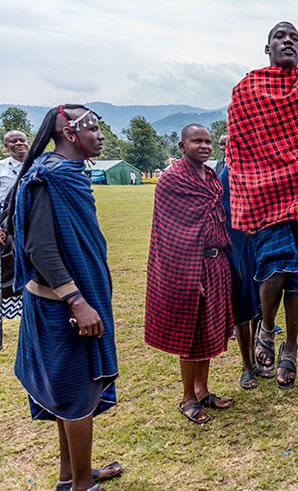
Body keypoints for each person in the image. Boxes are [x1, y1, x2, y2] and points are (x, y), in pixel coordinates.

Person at [13, 105, 122, 491]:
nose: (100, 134)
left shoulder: (67, 175)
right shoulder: (51, 177)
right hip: (61, 308)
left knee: (69, 396)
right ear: (68, 132)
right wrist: (77, 301)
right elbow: (40, 248)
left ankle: (70, 475)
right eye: (92, 126)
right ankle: (81, 486)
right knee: (76, 396)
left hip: (69, 303)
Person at [226, 21, 298, 389]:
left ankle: (289, 346)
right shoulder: (245, 91)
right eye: (280, 37)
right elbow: (240, 150)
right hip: (266, 197)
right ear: (267, 48)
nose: (288, 41)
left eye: (295, 38)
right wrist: (253, 194)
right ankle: (268, 328)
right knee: (275, 266)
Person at [145, 124, 234, 423]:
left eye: (208, 141)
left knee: (209, 329)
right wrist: (188, 276)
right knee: (193, 334)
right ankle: (187, 397)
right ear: (182, 146)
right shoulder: (171, 181)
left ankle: (202, 389)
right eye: (197, 141)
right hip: (189, 267)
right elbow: (170, 234)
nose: (205, 146)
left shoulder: (210, 177)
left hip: (215, 261)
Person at [219, 162, 271, 390]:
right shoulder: (228, 173)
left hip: (263, 241)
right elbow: (223, 208)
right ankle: (247, 366)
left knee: (262, 303)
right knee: (242, 302)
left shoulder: (263, 167)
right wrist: (242, 224)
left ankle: (260, 358)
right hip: (239, 243)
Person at [0, 130, 28, 349]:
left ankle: (31, 323)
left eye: (22, 140)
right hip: (5, 233)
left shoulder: (38, 165)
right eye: (13, 141)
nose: (19, 143)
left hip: (32, 231)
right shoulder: (1, 168)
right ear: (6, 146)